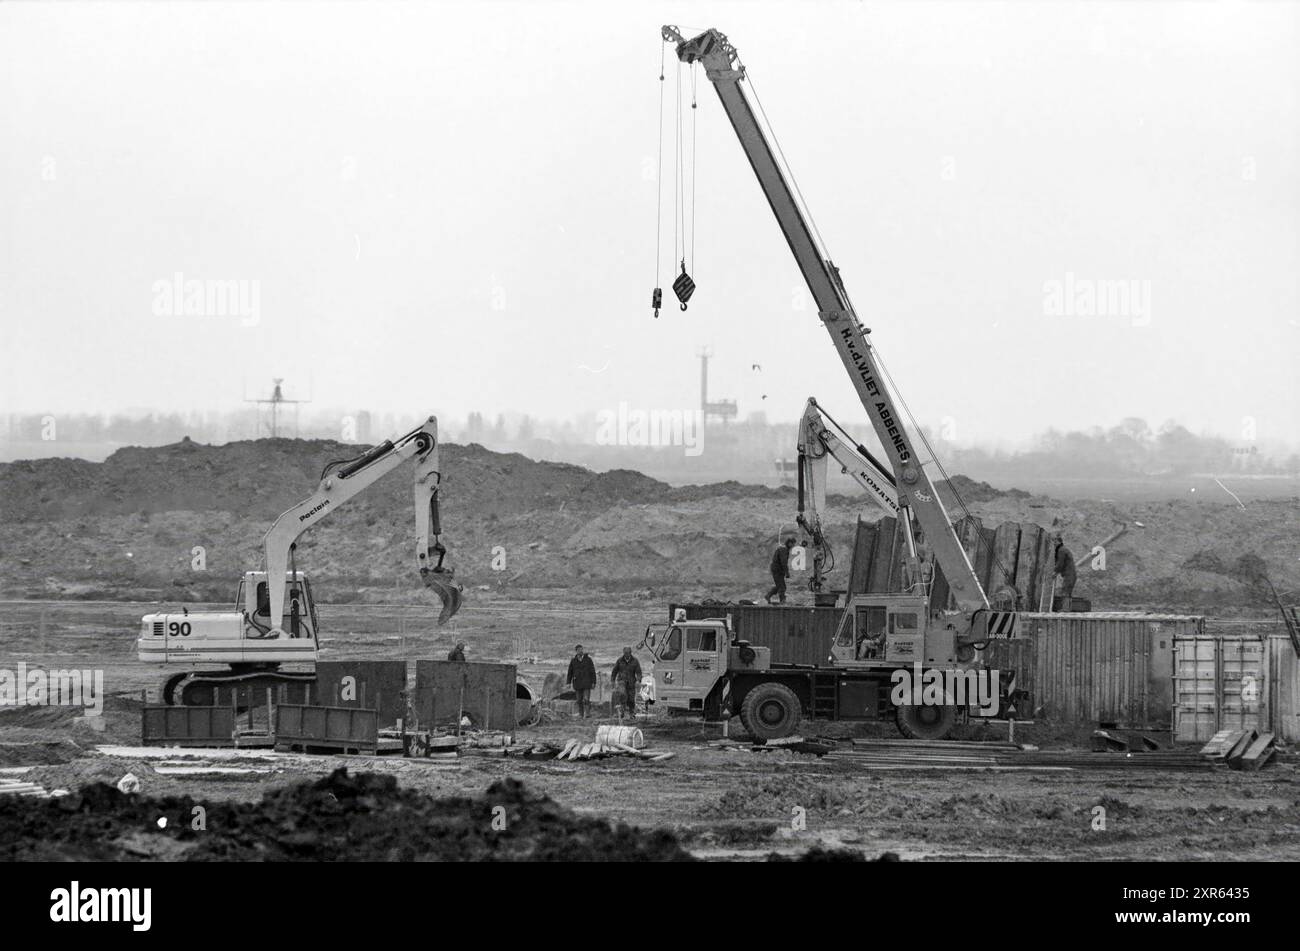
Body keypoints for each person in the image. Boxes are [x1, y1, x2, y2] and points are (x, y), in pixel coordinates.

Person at [566, 644, 597, 718]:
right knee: (579, 700)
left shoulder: (588, 660)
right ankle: (581, 714)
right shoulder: (573, 661)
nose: (580, 651)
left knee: (586, 699)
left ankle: (588, 714)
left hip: (587, 682)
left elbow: (592, 671)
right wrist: (568, 682)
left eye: (581, 649)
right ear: (576, 651)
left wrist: (594, 682)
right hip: (577, 683)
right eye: (579, 650)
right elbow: (570, 672)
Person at [611, 646, 642, 718]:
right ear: (623, 653)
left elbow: (639, 672)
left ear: (630, 653)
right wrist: (612, 681)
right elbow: (614, 672)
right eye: (625, 653)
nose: (627, 655)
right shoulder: (619, 660)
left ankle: (631, 713)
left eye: (628, 653)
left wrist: (638, 680)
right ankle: (621, 712)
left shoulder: (635, 661)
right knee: (622, 695)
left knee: (631, 699)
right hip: (621, 681)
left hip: (631, 682)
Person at [765, 536, 795, 604]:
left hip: (777, 569)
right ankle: (782, 601)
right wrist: (787, 572)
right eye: (793, 544)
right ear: (790, 543)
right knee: (782, 586)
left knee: (780, 585)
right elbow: (783, 562)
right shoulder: (784, 549)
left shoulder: (783, 548)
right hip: (777, 570)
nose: (793, 546)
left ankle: (768, 595)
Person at [1052, 533, 1077, 612]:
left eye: (1055, 541)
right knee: (1068, 592)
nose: (1054, 543)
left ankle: (1065, 609)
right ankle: (1068, 608)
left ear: (1059, 542)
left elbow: (1060, 563)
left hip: (1069, 574)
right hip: (1071, 574)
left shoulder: (1061, 550)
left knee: (1065, 591)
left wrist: (1055, 572)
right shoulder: (1064, 549)